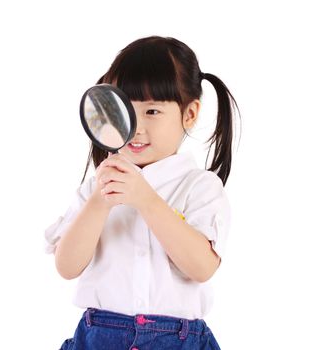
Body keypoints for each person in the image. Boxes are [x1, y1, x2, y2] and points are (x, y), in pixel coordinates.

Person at [44, 35, 240, 349]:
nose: (136, 127)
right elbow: (67, 267)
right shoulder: (97, 187)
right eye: (125, 111)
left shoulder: (199, 187)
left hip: (176, 340)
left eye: (152, 112)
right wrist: (98, 202)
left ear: (189, 114)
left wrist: (146, 199)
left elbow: (202, 267)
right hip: (99, 337)